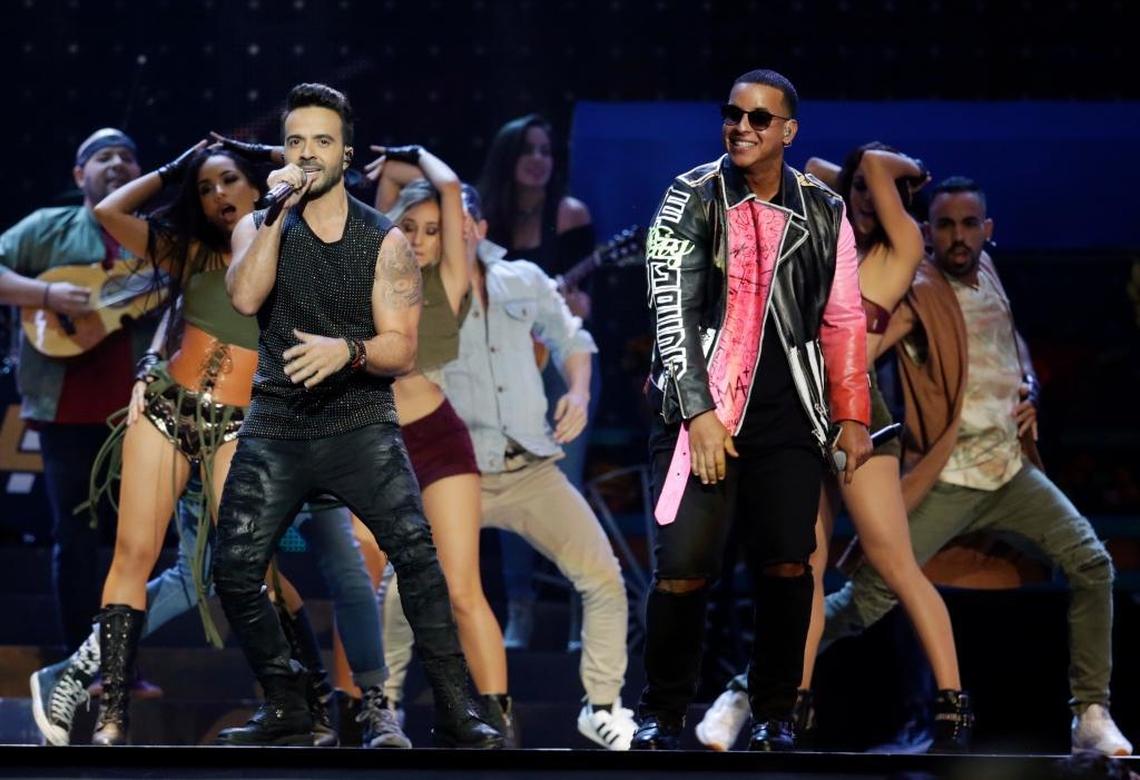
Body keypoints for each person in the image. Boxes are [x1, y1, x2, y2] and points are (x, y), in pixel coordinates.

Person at [27, 142, 388, 748]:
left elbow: (339, 197)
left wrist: (275, 159)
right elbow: (109, 213)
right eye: (205, 188)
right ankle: (110, 713)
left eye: (229, 181)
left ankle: (306, 704)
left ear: (259, 184)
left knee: (253, 571)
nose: (218, 195)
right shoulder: (192, 252)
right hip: (170, 407)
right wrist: (177, 166)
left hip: (243, 430)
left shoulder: (303, 252)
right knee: (133, 555)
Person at [210, 82, 499, 748]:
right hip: (277, 425)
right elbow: (248, 297)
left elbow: (399, 350)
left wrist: (347, 350)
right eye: (295, 142)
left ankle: (457, 710)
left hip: (359, 423)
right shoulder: (259, 224)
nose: (307, 155)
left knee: (420, 559)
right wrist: (276, 215)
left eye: (322, 143)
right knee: (234, 566)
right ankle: (287, 702)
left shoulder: (383, 239)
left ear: (344, 153)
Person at [818, 176, 1131, 757]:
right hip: (948, 478)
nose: (958, 238)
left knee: (1092, 565)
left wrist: (1030, 383)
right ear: (927, 232)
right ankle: (750, 691)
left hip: (1012, 474)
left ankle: (1090, 712)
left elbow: (1010, 344)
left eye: (969, 225)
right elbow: (861, 353)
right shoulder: (918, 292)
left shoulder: (989, 272)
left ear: (988, 231)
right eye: (944, 225)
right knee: (865, 599)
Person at [696, 143, 971, 752]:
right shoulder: (827, 235)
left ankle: (953, 704)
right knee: (805, 572)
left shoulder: (897, 252)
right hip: (799, 415)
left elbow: (868, 162)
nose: (870, 201)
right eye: (860, 193)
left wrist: (896, 173)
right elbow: (820, 172)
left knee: (893, 563)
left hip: (858, 415)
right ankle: (793, 704)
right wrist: (854, 183)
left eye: (882, 195)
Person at [633, 68, 872, 752]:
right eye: (733, 115)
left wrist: (851, 414)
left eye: (759, 118)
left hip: (787, 416)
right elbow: (669, 311)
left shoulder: (824, 210)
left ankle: (774, 712)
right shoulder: (689, 194)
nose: (741, 127)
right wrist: (700, 414)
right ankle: (663, 712)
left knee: (788, 566)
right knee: (682, 567)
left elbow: (845, 317)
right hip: (698, 414)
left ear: (788, 131)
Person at [380, 183, 638, 749]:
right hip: (452, 471)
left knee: (602, 576)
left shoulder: (521, 280)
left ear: (479, 227)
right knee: (403, 585)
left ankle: (601, 706)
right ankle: (387, 707)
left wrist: (577, 392)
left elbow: (574, 338)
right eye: (439, 228)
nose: (456, 235)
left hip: (529, 469)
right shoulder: (413, 294)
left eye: (460, 224)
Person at [360, 146, 513, 744]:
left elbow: (447, 194)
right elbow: (387, 196)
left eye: (431, 232)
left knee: (462, 589)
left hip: (438, 438)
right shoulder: (366, 274)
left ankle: (500, 723)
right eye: (407, 227)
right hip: (370, 442)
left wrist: (418, 155)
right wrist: (400, 170)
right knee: (373, 582)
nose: (420, 240)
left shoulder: (446, 284)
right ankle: (376, 712)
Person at [0, 129, 155, 652]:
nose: (117, 164)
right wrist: (45, 293)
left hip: (139, 412)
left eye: (128, 157)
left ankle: (122, 667)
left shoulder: (156, 238)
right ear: (78, 175)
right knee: (76, 538)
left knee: (134, 545)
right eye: (103, 157)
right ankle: (77, 663)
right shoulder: (48, 227)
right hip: (66, 411)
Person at [478, 115, 600, 649]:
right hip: (498, 372)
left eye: (546, 150)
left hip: (557, 372)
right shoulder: (486, 222)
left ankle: (580, 612)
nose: (538, 159)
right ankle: (520, 609)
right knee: (506, 490)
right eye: (528, 149)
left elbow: (586, 312)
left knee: (563, 492)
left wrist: (575, 305)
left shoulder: (569, 217)